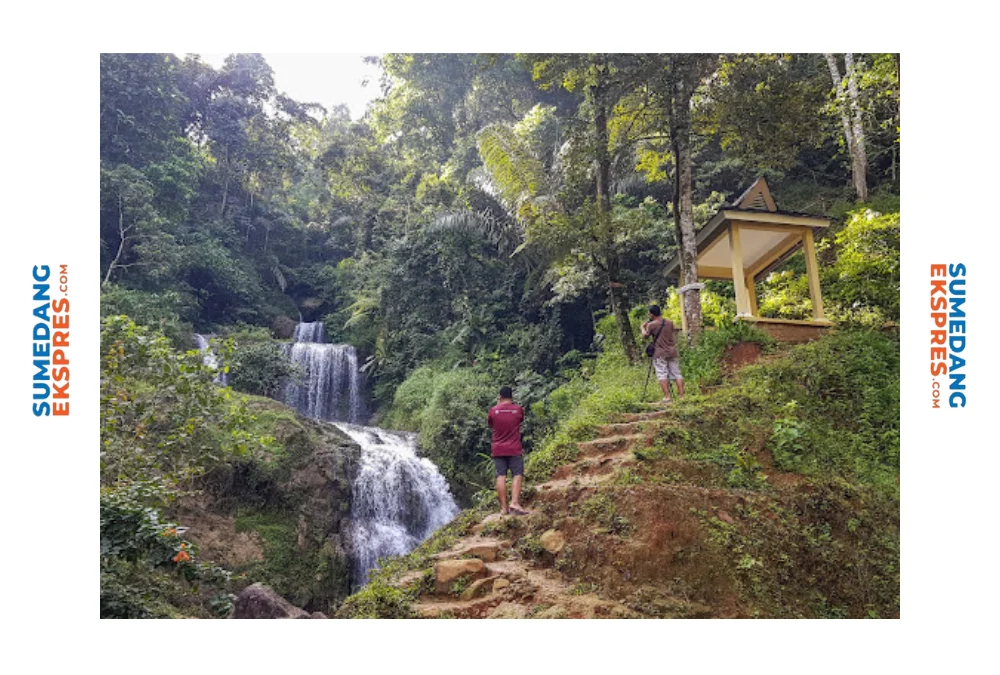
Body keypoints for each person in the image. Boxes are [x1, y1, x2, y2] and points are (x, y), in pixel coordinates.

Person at [488, 386, 529, 516]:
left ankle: (504, 508)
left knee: (501, 476)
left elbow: (491, 425)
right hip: (514, 448)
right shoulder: (518, 410)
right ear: (512, 397)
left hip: (498, 448)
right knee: (517, 473)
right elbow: (520, 421)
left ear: (499, 397)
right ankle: (515, 502)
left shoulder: (493, 411)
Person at [641, 304, 684, 404]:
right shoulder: (670, 323)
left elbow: (645, 336)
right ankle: (682, 397)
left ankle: (667, 397)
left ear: (651, 314)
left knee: (662, 373)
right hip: (672, 351)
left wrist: (642, 328)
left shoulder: (651, 325)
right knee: (677, 373)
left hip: (660, 353)